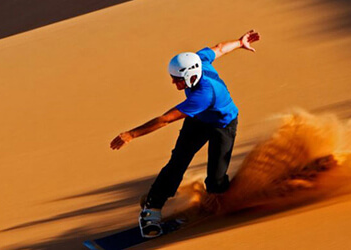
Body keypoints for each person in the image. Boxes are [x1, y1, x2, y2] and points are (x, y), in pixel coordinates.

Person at [110, 30, 260, 238]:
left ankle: (223, 197)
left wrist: (132, 134)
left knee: (216, 183)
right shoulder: (197, 61)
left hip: (223, 125)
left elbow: (166, 119)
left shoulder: (204, 94)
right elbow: (218, 49)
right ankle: (152, 208)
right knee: (177, 162)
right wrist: (239, 42)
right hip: (198, 121)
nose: (174, 84)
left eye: (177, 80)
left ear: (190, 76)